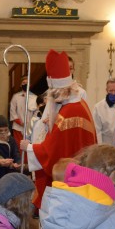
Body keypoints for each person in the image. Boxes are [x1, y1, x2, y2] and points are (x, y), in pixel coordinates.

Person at [21, 49, 97, 209]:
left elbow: (53, 151)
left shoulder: (69, 111)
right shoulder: (76, 104)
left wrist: (29, 148)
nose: (52, 100)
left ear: (61, 92)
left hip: (69, 179)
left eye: (54, 95)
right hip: (79, 173)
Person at [92, 77, 115, 146]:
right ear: (106, 90)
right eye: (110, 91)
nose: (113, 93)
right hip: (106, 145)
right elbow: (97, 131)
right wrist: (100, 148)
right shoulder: (98, 107)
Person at [9, 74, 37, 144]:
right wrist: (20, 122)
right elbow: (12, 110)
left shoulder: (35, 97)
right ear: (20, 85)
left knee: (28, 145)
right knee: (19, 145)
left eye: (27, 83)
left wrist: (30, 122)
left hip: (30, 126)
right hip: (18, 127)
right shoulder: (16, 96)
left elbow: (36, 112)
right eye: (23, 83)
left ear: (30, 85)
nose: (25, 84)